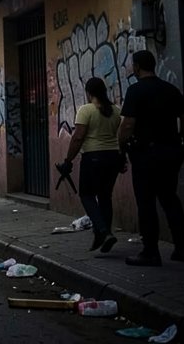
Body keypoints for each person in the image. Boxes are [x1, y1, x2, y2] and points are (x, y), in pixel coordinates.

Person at [118, 50, 184, 266]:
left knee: (146, 202)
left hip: (145, 154)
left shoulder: (136, 90)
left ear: (137, 67)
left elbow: (128, 125)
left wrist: (121, 148)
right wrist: (180, 140)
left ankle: (150, 251)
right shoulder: (170, 89)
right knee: (170, 198)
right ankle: (182, 248)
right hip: (170, 152)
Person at [61, 77, 123, 253]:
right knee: (105, 196)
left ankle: (103, 231)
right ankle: (105, 234)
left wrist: (68, 160)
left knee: (87, 195)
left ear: (88, 92)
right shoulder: (116, 111)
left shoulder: (85, 110)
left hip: (93, 157)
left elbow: (78, 137)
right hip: (112, 157)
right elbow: (118, 136)